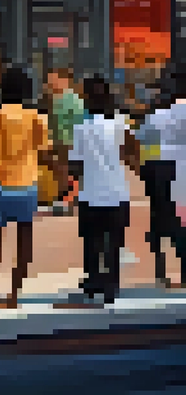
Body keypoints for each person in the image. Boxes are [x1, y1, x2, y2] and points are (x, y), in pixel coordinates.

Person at [0, 67, 49, 308]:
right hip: (26, 184)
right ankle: (14, 293)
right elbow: (43, 149)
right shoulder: (37, 117)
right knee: (24, 241)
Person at [71, 75, 137, 306]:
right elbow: (131, 153)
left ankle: (93, 283)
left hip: (90, 192)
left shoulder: (81, 127)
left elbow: (76, 163)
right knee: (114, 243)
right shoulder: (121, 123)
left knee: (92, 242)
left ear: (87, 98)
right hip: (117, 191)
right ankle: (111, 286)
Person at [141, 68, 186, 287]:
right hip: (179, 170)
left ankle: (161, 271)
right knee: (181, 220)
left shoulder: (153, 118)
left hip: (157, 169)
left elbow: (143, 147)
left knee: (158, 218)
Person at [46, 68, 85, 212]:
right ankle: (68, 198)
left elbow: (65, 125)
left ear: (64, 80)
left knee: (67, 170)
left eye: (53, 80)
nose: (50, 83)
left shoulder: (69, 100)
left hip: (68, 142)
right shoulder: (62, 99)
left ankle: (66, 199)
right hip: (66, 142)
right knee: (67, 171)